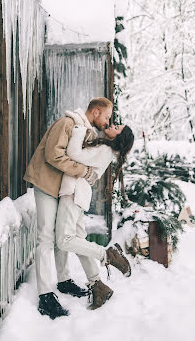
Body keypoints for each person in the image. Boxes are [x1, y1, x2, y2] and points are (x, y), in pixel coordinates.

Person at [24, 97, 113, 319]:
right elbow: (53, 154)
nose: (108, 121)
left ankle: (63, 281)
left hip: (60, 189)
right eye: (107, 116)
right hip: (45, 184)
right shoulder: (67, 123)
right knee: (45, 238)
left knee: (63, 236)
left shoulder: (85, 131)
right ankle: (45, 296)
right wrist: (83, 171)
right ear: (96, 111)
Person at [56, 122, 134, 310]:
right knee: (79, 241)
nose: (113, 124)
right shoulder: (105, 148)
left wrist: (78, 131)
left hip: (74, 193)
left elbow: (74, 155)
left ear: (117, 138)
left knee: (64, 240)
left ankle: (106, 254)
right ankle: (98, 286)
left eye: (117, 128)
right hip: (78, 194)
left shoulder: (105, 149)